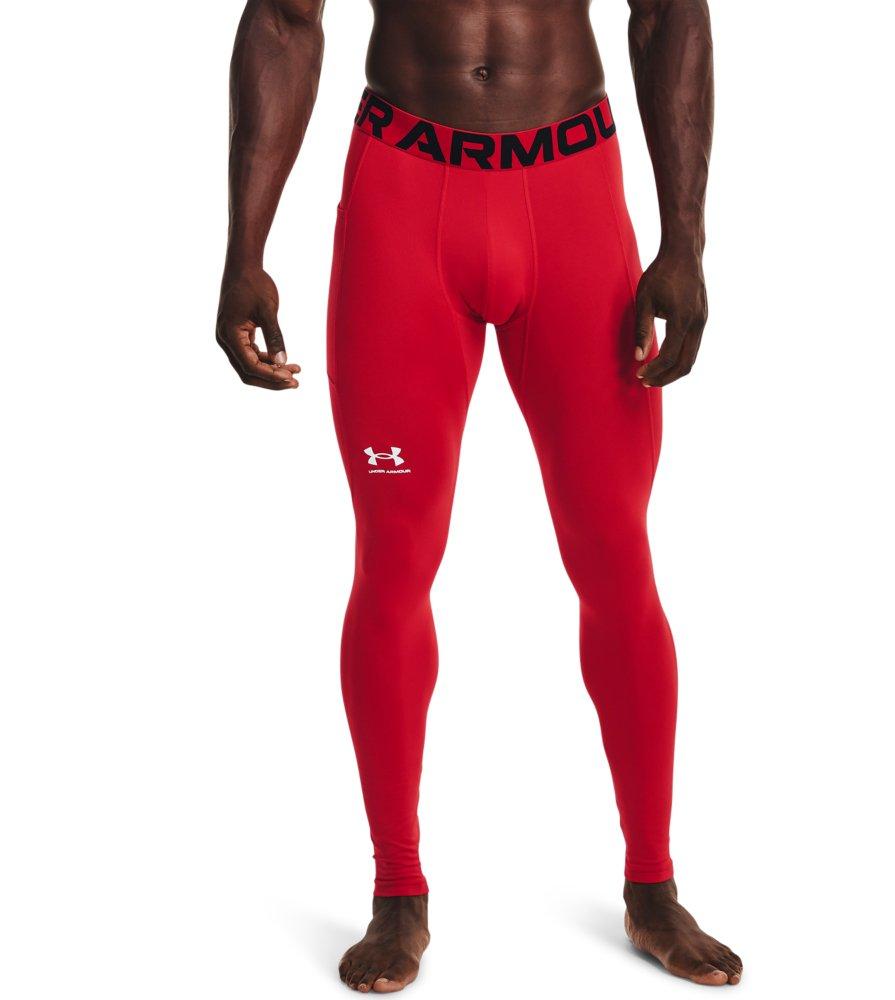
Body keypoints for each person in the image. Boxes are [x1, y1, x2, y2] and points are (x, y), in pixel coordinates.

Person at [216, 0, 740, 992]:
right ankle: (397, 892)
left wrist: (685, 239)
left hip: (572, 189)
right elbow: (285, 20)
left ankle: (652, 885)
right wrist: (246, 249)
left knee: (615, 554)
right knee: (393, 560)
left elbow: (669, 8)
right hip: (402, 194)